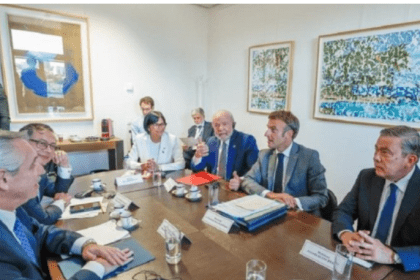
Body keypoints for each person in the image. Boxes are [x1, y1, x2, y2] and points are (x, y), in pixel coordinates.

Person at [0, 130, 132, 280]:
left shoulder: (11, 211)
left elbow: (40, 232)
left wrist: (85, 244)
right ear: (3, 178)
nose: (41, 170)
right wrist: (96, 268)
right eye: (32, 165)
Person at [332, 125, 420, 272]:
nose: (376, 157)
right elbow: (343, 212)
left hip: (401, 271)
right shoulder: (367, 177)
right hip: (361, 264)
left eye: (385, 153)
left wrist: (392, 255)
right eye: (376, 149)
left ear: (410, 160)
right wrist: (346, 234)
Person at [235, 110, 328, 215]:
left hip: (299, 219)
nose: (266, 134)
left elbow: (321, 197)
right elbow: (247, 179)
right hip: (270, 213)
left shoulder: (309, 157)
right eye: (268, 128)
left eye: (273, 130)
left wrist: (293, 202)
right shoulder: (264, 155)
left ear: (288, 134)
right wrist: (271, 195)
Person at [20, 123, 73, 224]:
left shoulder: (39, 171)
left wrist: (64, 166)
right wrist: (61, 202)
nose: (49, 150)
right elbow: (42, 219)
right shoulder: (16, 175)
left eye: (52, 146)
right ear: (22, 143)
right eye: (42, 143)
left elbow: (58, 192)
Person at [191, 110, 258, 180]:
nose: (220, 128)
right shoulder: (211, 141)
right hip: (213, 185)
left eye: (225, 124)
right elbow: (196, 168)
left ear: (233, 124)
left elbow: (254, 173)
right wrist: (197, 156)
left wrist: (240, 180)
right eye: (216, 125)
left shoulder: (246, 141)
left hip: (235, 187)